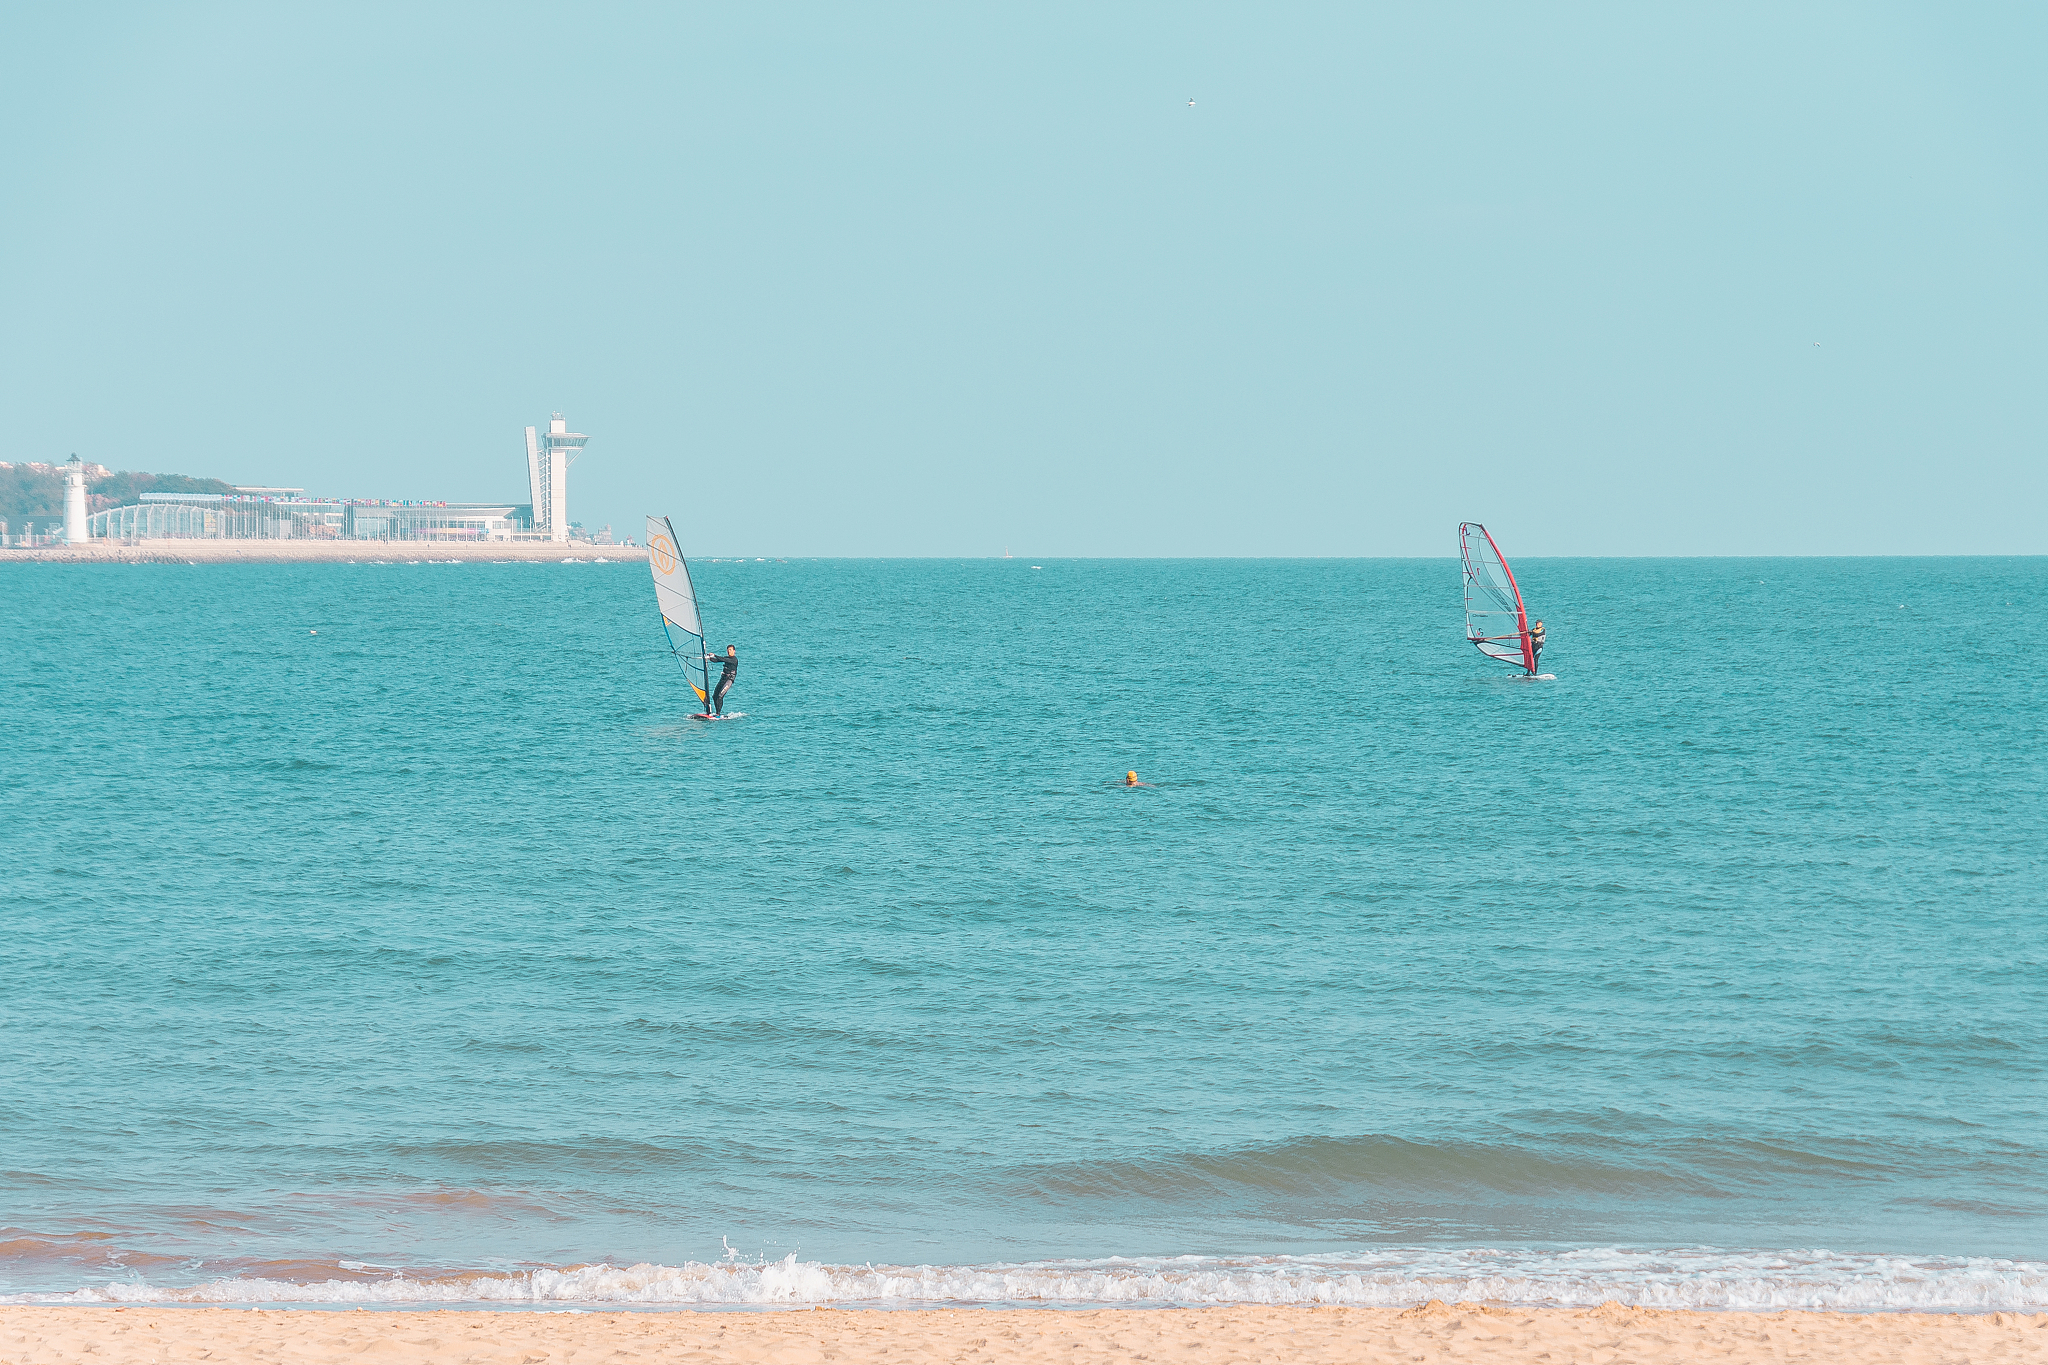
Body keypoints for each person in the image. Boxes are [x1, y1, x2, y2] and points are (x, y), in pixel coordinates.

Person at [707, 644, 739, 714]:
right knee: (714, 696)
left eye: (730, 650)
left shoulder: (734, 660)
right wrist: (709, 658)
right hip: (723, 678)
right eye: (728, 650)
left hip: (729, 680)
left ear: (734, 651)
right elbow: (717, 660)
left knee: (720, 696)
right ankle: (716, 713)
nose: (729, 651)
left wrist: (715, 655)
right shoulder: (726, 658)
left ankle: (718, 713)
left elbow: (723, 659)